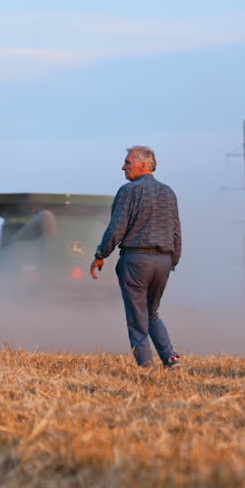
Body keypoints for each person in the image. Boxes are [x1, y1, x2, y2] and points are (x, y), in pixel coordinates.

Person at [89, 146, 182, 368]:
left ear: (143, 165)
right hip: (164, 261)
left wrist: (100, 254)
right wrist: (172, 261)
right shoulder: (169, 192)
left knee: (136, 316)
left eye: (127, 162)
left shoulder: (129, 191)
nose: (123, 166)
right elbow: (176, 230)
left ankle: (146, 366)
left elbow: (117, 228)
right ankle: (170, 357)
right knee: (151, 312)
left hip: (136, 260)